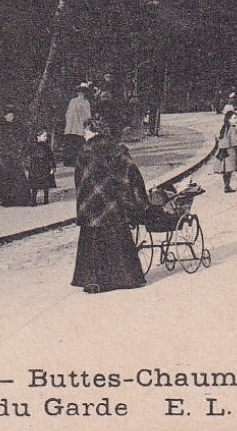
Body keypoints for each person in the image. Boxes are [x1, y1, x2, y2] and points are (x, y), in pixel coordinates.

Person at [71, 123, 147, 293]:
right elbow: (131, 174)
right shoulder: (116, 150)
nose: (84, 135)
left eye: (86, 132)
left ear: (94, 132)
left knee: (92, 243)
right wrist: (134, 202)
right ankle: (125, 278)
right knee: (117, 240)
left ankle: (94, 282)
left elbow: (79, 180)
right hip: (112, 205)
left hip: (91, 208)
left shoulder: (84, 152)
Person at [0, 107, 34, 207]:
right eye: (9, 115)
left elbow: (24, 138)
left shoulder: (18, 126)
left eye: (12, 115)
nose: (11, 117)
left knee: (18, 176)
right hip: (3, 155)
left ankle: (21, 200)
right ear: (5, 116)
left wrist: (21, 149)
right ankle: (3, 200)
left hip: (15, 155)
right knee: (4, 177)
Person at [212, 105, 237, 194]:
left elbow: (219, 137)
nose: (236, 120)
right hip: (230, 152)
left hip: (222, 151)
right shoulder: (233, 129)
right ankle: (227, 186)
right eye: (234, 118)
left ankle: (226, 185)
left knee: (225, 170)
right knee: (229, 170)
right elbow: (234, 140)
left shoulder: (224, 127)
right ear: (229, 119)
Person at [62, 85, 92, 166]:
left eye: (83, 92)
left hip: (76, 126)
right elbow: (69, 113)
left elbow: (87, 115)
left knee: (75, 143)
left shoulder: (83, 102)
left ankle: (73, 161)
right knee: (73, 142)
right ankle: (70, 161)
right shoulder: (76, 101)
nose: (81, 93)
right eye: (80, 92)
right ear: (78, 92)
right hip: (74, 126)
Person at [27, 129, 56, 205]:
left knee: (46, 185)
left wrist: (53, 167)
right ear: (38, 136)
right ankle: (33, 200)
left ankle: (46, 199)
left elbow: (51, 157)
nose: (46, 138)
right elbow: (28, 157)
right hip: (35, 167)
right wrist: (29, 166)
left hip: (45, 167)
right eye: (44, 136)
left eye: (46, 136)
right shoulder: (33, 146)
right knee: (34, 185)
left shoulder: (47, 147)